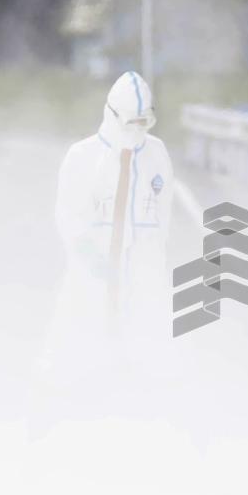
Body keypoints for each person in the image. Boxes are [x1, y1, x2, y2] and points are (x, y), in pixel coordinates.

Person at [38, 71, 173, 427]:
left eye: (144, 122)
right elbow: (67, 214)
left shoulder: (157, 155)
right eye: (131, 122)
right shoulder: (82, 157)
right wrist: (89, 256)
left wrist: (153, 268)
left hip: (140, 277)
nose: (137, 130)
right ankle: (52, 420)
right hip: (91, 276)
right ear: (112, 115)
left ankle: (142, 422)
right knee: (73, 342)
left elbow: (165, 215)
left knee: (145, 348)